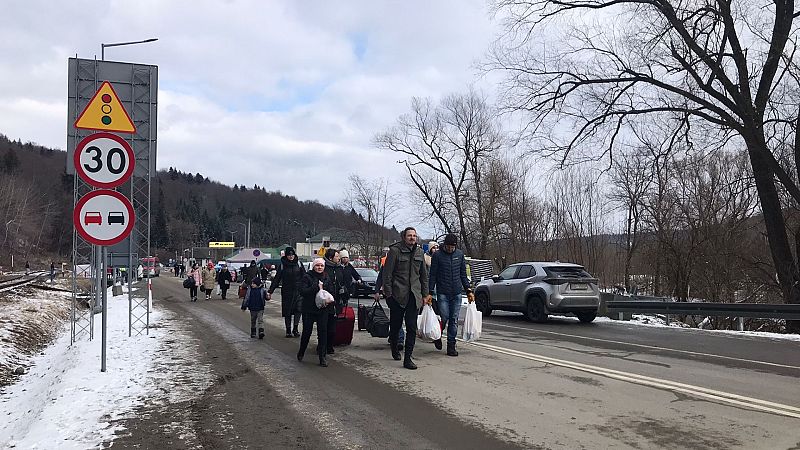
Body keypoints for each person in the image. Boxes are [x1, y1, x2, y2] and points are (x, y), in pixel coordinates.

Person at [382, 226, 429, 370]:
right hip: (397, 295)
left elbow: (424, 276)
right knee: (395, 326)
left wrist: (425, 295)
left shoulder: (420, 252)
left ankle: (408, 358)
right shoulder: (395, 251)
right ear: (404, 237)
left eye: (414, 236)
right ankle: (394, 349)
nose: (412, 238)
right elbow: (387, 274)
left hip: (414, 297)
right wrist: (388, 294)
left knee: (411, 327)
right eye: (409, 235)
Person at [428, 233, 472, 357]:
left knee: (454, 319)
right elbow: (433, 275)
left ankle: (451, 345)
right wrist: (430, 292)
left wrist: (468, 289)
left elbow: (463, 274)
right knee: (445, 317)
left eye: (453, 247)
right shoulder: (437, 255)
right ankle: (437, 335)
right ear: (445, 245)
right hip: (443, 292)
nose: (450, 249)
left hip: (456, 292)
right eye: (448, 247)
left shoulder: (459, 255)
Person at [298, 258, 336, 366]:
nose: (319, 268)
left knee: (323, 333)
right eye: (317, 266)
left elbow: (331, 291)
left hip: (323, 309)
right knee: (307, 332)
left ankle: (322, 357)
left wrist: (330, 299)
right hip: (309, 309)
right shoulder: (307, 276)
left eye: (321, 266)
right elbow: (303, 291)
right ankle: (301, 351)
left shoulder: (326, 277)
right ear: (313, 266)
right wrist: (316, 287)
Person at [268, 247, 305, 338]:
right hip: (287, 291)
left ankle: (295, 329)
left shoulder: (299, 264)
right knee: (287, 312)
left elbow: (305, 277)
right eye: (289, 255)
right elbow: (277, 279)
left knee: (298, 310)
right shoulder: (282, 265)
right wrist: (270, 291)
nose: (291, 257)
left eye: (292, 255)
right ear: (286, 255)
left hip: (298, 291)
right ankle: (288, 330)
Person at [323, 248, 346, 354]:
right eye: (337, 256)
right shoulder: (324, 268)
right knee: (323, 325)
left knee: (332, 326)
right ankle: (322, 345)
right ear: (330, 258)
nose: (339, 258)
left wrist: (344, 292)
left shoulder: (340, 268)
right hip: (325, 301)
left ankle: (329, 345)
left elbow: (343, 281)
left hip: (337, 301)